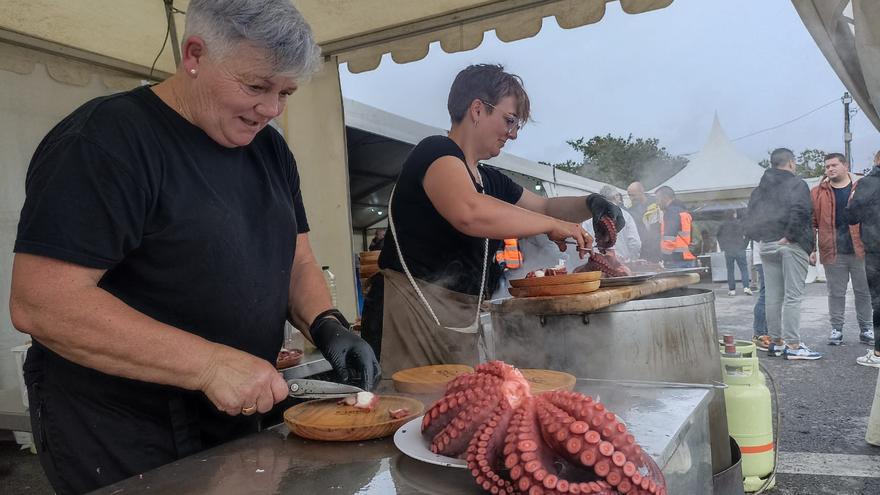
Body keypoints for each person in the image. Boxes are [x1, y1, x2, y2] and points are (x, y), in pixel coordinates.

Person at [8, 2, 379, 493]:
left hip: (235, 410)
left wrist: (326, 324)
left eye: (285, 92)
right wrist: (208, 363)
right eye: (256, 86)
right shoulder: (106, 139)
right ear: (195, 54)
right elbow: (43, 301)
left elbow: (297, 261)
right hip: (120, 428)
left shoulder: (270, 150)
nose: (271, 109)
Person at [360, 64, 624, 375]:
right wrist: (552, 226)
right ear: (477, 109)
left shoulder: (489, 179)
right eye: (509, 120)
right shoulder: (435, 151)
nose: (512, 134)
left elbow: (544, 206)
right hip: (408, 314)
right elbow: (469, 212)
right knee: (408, 412)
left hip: (460, 317)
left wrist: (591, 203)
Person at [746, 148, 821, 360]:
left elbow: (749, 216)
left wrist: (761, 237)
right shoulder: (796, 183)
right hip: (790, 244)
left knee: (772, 296)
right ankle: (794, 345)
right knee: (792, 297)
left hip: (767, 245)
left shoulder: (759, 190)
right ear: (790, 162)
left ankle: (777, 342)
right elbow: (801, 210)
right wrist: (789, 236)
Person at [810, 153, 874, 346]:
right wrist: (811, 248)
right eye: (827, 166)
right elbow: (812, 222)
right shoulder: (817, 192)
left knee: (863, 292)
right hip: (832, 249)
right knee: (835, 292)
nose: (830, 169)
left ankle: (866, 329)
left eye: (834, 165)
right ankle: (836, 329)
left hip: (861, 249)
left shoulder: (862, 186)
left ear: (845, 166)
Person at [847, 151, 880, 367]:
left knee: (878, 300)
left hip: (877, 250)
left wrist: (852, 200)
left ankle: (878, 353)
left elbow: (851, 216)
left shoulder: (868, 183)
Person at [584, 185, 641, 261]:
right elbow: (635, 243)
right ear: (616, 197)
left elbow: (584, 240)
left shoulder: (588, 216)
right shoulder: (626, 216)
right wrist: (632, 258)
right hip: (621, 263)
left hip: (595, 262)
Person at [655, 186, 697, 268]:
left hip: (676, 260)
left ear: (665, 197)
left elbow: (670, 237)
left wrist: (665, 257)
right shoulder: (682, 211)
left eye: (658, 199)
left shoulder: (671, 212)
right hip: (685, 258)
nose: (657, 203)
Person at [716, 210, 752, 296]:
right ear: (734, 214)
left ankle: (732, 290)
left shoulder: (722, 225)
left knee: (730, 270)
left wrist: (723, 247)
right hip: (740, 249)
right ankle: (746, 287)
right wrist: (744, 245)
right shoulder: (740, 224)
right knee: (744, 269)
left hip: (728, 250)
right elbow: (748, 235)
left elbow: (718, 236)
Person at [627, 181, 661, 261]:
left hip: (657, 249)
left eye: (633, 195)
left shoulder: (657, 204)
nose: (631, 198)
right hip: (642, 250)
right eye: (629, 195)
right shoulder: (630, 209)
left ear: (641, 192)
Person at [751, 241, 771, 350]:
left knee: (769, 296)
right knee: (766, 295)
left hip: (764, 257)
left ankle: (765, 333)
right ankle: (759, 334)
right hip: (764, 257)